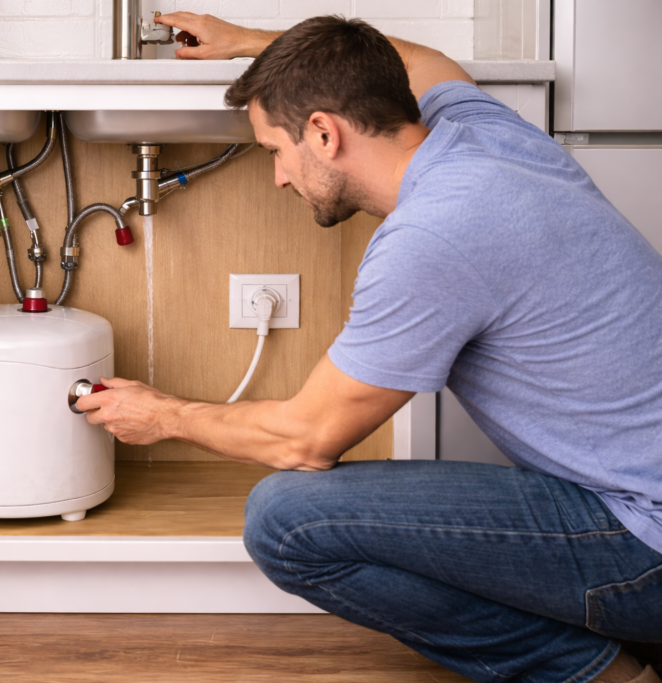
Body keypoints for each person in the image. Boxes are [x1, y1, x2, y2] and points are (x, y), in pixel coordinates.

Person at [76, 13, 662, 683]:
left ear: (324, 132)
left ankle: (598, 674)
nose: (277, 177)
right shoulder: (489, 135)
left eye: (274, 148)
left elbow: (306, 439)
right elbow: (422, 59)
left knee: (284, 521)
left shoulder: (433, 236)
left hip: (647, 541)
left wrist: (165, 416)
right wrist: (244, 41)